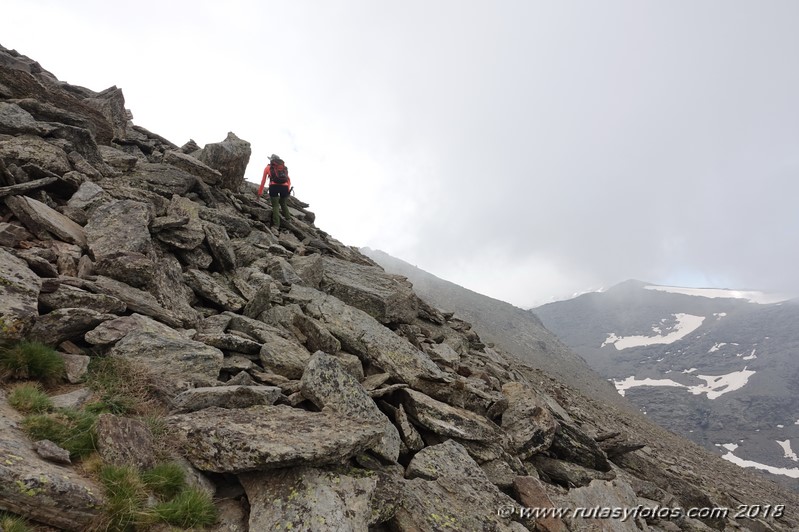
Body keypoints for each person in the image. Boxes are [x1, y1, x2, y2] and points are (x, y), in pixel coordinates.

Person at [257, 154, 292, 230]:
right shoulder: (283, 168)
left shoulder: (267, 168)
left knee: (275, 206)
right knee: (283, 203)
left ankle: (276, 225)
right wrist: (288, 190)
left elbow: (263, 181)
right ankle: (288, 219)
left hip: (274, 187)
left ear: (271, 160)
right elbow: (288, 180)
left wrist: (259, 192)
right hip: (285, 187)